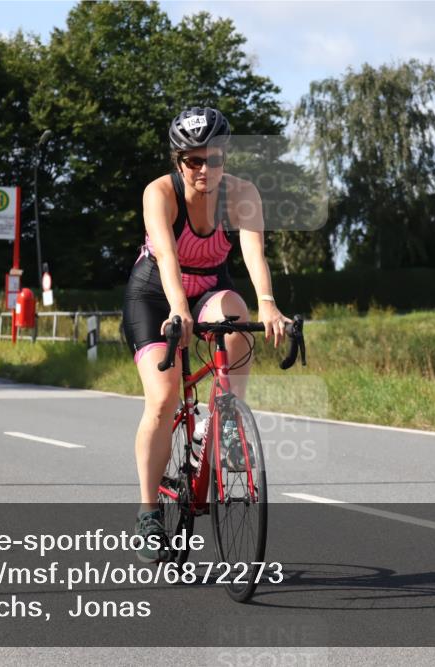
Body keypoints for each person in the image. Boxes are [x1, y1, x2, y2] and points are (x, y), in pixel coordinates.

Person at [121, 106, 292, 563]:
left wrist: (268, 304)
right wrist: (178, 309)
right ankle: (148, 512)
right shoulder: (160, 193)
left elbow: (254, 254)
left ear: (225, 157)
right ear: (178, 161)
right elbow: (167, 257)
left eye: (213, 159)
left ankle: (225, 419)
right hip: (156, 294)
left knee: (237, 313)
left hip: (211, 289)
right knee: (163, 398)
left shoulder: (242, 193)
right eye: (193, 160)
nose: (204, 169)